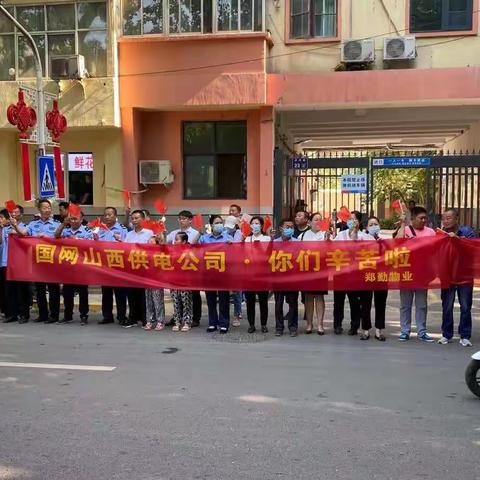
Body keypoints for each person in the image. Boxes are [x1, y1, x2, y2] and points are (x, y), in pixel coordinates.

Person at [11, 198, 61, 324]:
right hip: (37, 263)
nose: (47, 210)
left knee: (53, 289)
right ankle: (43, 314)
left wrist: (47, 238)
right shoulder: (33, 224)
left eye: (49, 208)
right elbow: (23, 234)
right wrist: (15, 226)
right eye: (44, 208)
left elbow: (61, 239)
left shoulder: (56, 224)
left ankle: (54, 315)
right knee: (39, 290)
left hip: (51, 262)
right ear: (39, 209)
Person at [395, 206, 436, 343]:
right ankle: (405, 331)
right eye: (421, 218)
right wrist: (402, 224)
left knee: (422, 305)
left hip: (422, 274)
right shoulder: (405, 230)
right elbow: (397, 242)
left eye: (425, 218)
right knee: (405, 305)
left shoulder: (430, 232)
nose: (423, 220)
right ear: (412, 218)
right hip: (406, 273)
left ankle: (421, 332)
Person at [438, 208, 476, 347]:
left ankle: (465, 335)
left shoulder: (467, 232)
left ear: (456, 219)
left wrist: (458, 240)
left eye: (448, 218)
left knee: (465, 306)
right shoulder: (440, 234)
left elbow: (472, 249)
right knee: (447, 306)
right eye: (444, 218)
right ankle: (446, 334)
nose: (445, 221)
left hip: (465, 276)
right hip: (447, 275)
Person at [333, 211, 374, 337]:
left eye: (355, 220)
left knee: (354, 302)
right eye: (350, 219)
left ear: (359, 222)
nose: (352, 222)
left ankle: (354, 326)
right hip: (341, 273)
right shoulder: (340, 235)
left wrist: (355, 235)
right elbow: (332, 250)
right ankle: (337, 324)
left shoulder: (365, 236)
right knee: (338, 300)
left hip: (355, 274)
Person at [55, 210, 93, 325]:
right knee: (67, 292)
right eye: (71, 218)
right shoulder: (65, 230)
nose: (73, 221)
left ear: (81, 220)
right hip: (68, 266)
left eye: (75, 218)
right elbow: (55, 236)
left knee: (83, 293)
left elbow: (92, 245)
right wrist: (63, 224)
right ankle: (68, 315)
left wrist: (76, 241)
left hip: (81, 266)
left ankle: (84, 315)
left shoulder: (87, 231)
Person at [117, 210, 153, 328]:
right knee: (131, 294)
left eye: (137, 218)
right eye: (132, 218)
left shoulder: (149, 233)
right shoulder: (129, 234)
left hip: (144, 268)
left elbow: (153, 249)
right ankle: (132, 318)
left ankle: (145, 318)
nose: (134, 220)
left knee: (143, 295)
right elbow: (125, 249)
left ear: (143, 219)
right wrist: (120, 242)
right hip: (131, 268)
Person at [165, 210, 202, 327]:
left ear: (190, 220)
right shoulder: (174, 233)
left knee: (194, 294)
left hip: (191, 267)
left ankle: (195, 318)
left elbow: (200, 249)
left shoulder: (196, 233)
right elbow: (164, 244)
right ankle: (177, 317)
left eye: (184, 218)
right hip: (177, 267)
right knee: (177, 294)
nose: (181, 220)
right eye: (180, 218)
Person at [95, 207, 129, 326]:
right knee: (106, 292)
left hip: (118, 264)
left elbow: (128, 245)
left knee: (120, 292)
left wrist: (120, 241)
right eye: (105, 215)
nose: (107, 217)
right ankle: (107, 316)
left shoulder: (122, 229)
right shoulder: (100, 229)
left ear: (115, 216)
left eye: (110, 215)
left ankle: (121, 316)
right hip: (104, 265)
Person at [199, 215, 231, 334]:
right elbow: (196, 250)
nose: (219, 225)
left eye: (220, 222)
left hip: (223, 273)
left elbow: (235, 253)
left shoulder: (228, 237)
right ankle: (212, 323)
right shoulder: (204, 238)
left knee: (224, 299)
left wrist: (231, 245)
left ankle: (224, 323)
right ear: (211, 225)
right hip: (209, 272)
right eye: (216, 223)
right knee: (210, 299)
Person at [0, 206, 31, 324]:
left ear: (21, 215)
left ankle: (24, 314)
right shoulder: (5, 228)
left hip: (20, 263)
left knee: (21, 290)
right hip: (5, 262)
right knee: (9, 290)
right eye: (12, 212)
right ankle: (11, 314)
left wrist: (15, 227)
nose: (14, 214)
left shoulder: (25, 226)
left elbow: (23, 235)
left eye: (16, 212)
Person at [361, 216, 389, 341]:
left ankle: (379, 330)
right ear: (367, 227)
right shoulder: (363, 238)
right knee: (366, 303)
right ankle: (365, 330)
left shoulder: (385, 239)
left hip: (382, 275)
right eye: (370, 224)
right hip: (367, 274)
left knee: (380, 303)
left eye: (375, 224)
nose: (373, 226)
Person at [300, 213, 328, 335]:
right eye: (316, 220)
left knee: (319, 297)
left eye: (320, 220)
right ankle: (309, 324)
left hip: (321, 270)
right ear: (309, 222)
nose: (318, 222)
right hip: (307, 270)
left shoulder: (325, 235)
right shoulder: (303, 235)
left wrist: (328, 241)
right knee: (308, 297)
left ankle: (320, 324)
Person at [243, 216, 271, 333]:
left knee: (263, 301)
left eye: (257, 223)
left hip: (262, 274)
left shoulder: (267, 238)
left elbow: (269, 254)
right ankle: (251, 324)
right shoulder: (246, 240)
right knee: (250, 301)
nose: (255, 225)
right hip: (249, 274)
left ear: (261, 225)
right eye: (253, 223)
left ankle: (263, 324)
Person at [273, 219, 299, 337]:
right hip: (278, 279)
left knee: (293, 304)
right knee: (278, 304)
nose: (290, 229)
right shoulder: (274, 243)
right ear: (281, 229)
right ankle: (279, 327)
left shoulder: (298, 243)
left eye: (292, 227)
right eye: (287, 226)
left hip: (293, 279)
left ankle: (293, 327)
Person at [170, 232, 193, 332]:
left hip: (185, 281)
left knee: (185, 301)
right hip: (174, 280)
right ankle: (177, 322)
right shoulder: (172, 251)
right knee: (176, 301)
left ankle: (187, 322)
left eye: (177, 239)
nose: (175, 241)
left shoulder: (189, 251)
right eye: (174, 239)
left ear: (184, 241)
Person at [144, 232, 166, 331]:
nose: (149, 242)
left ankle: (160, 321)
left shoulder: (159, 252)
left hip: (157, 280)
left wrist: (161, 237)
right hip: (147, 280)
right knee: (149, 302)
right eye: (148, 241)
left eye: (152, 241)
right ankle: (150, 321)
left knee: (158, 301)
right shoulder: (144, 252)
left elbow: (163, 246)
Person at [225, 215, 243, 325]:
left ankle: (237, 313)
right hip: (225, 266)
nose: (229, 228)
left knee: (237, 292)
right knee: (225, 293)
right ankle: (225, 315)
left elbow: (240, 247)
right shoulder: (224, 232)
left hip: (237, 266)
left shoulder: (240, 234)